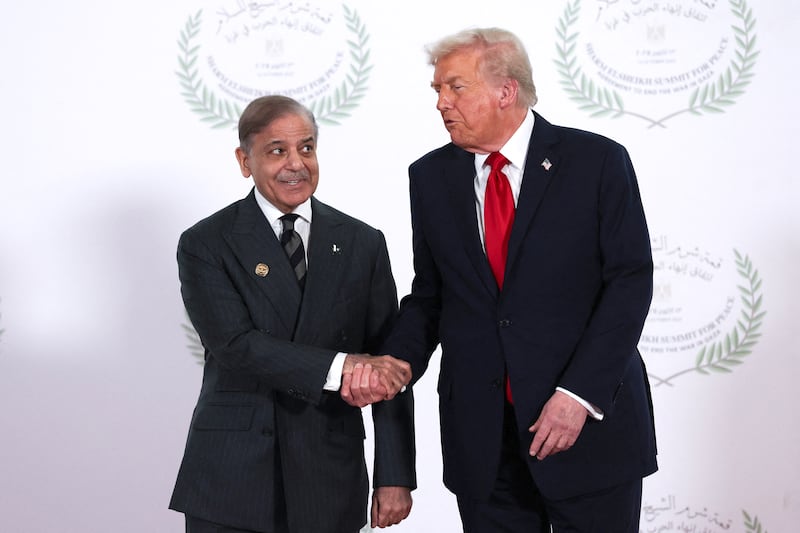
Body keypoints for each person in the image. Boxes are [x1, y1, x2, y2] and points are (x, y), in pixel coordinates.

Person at [372, 27, 658, 532]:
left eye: (455, 88)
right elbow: (432, 294)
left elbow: (629, 283)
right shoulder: (430, 177)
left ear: (506, 90)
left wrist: (578, 396)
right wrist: (397, 362)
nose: (441, 103)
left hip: (585, 431)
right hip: (484, 443)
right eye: (437, 90)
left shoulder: (596, 161)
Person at [169, 95, 415, 533]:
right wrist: (344, 366)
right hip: (233, 475)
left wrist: (394, 476)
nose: (296, 164)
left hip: (329, 470)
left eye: (306, 147)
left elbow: (388, 363)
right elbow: (235, 345)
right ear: (245, 161)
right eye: (276, 150)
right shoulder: (205, 243)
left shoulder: (362, 242)